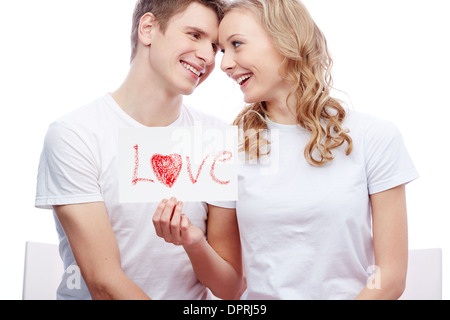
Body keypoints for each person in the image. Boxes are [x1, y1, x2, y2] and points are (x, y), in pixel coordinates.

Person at [209, 0, 419, 300]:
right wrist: (191, 241)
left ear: (287, 38)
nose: (225, 64)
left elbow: (389, 277)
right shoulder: (227, 148)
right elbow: (230, 284)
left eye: (237, 44)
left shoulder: (373, 136)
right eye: (222, 50)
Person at [35, 0, 244, 300]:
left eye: (215, 46)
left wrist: (194, 243)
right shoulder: (75, 135)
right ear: (147, 29)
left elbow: (229, 288)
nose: (207, 56)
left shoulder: (216, 137)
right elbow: (104, 283)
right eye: (194, 35)